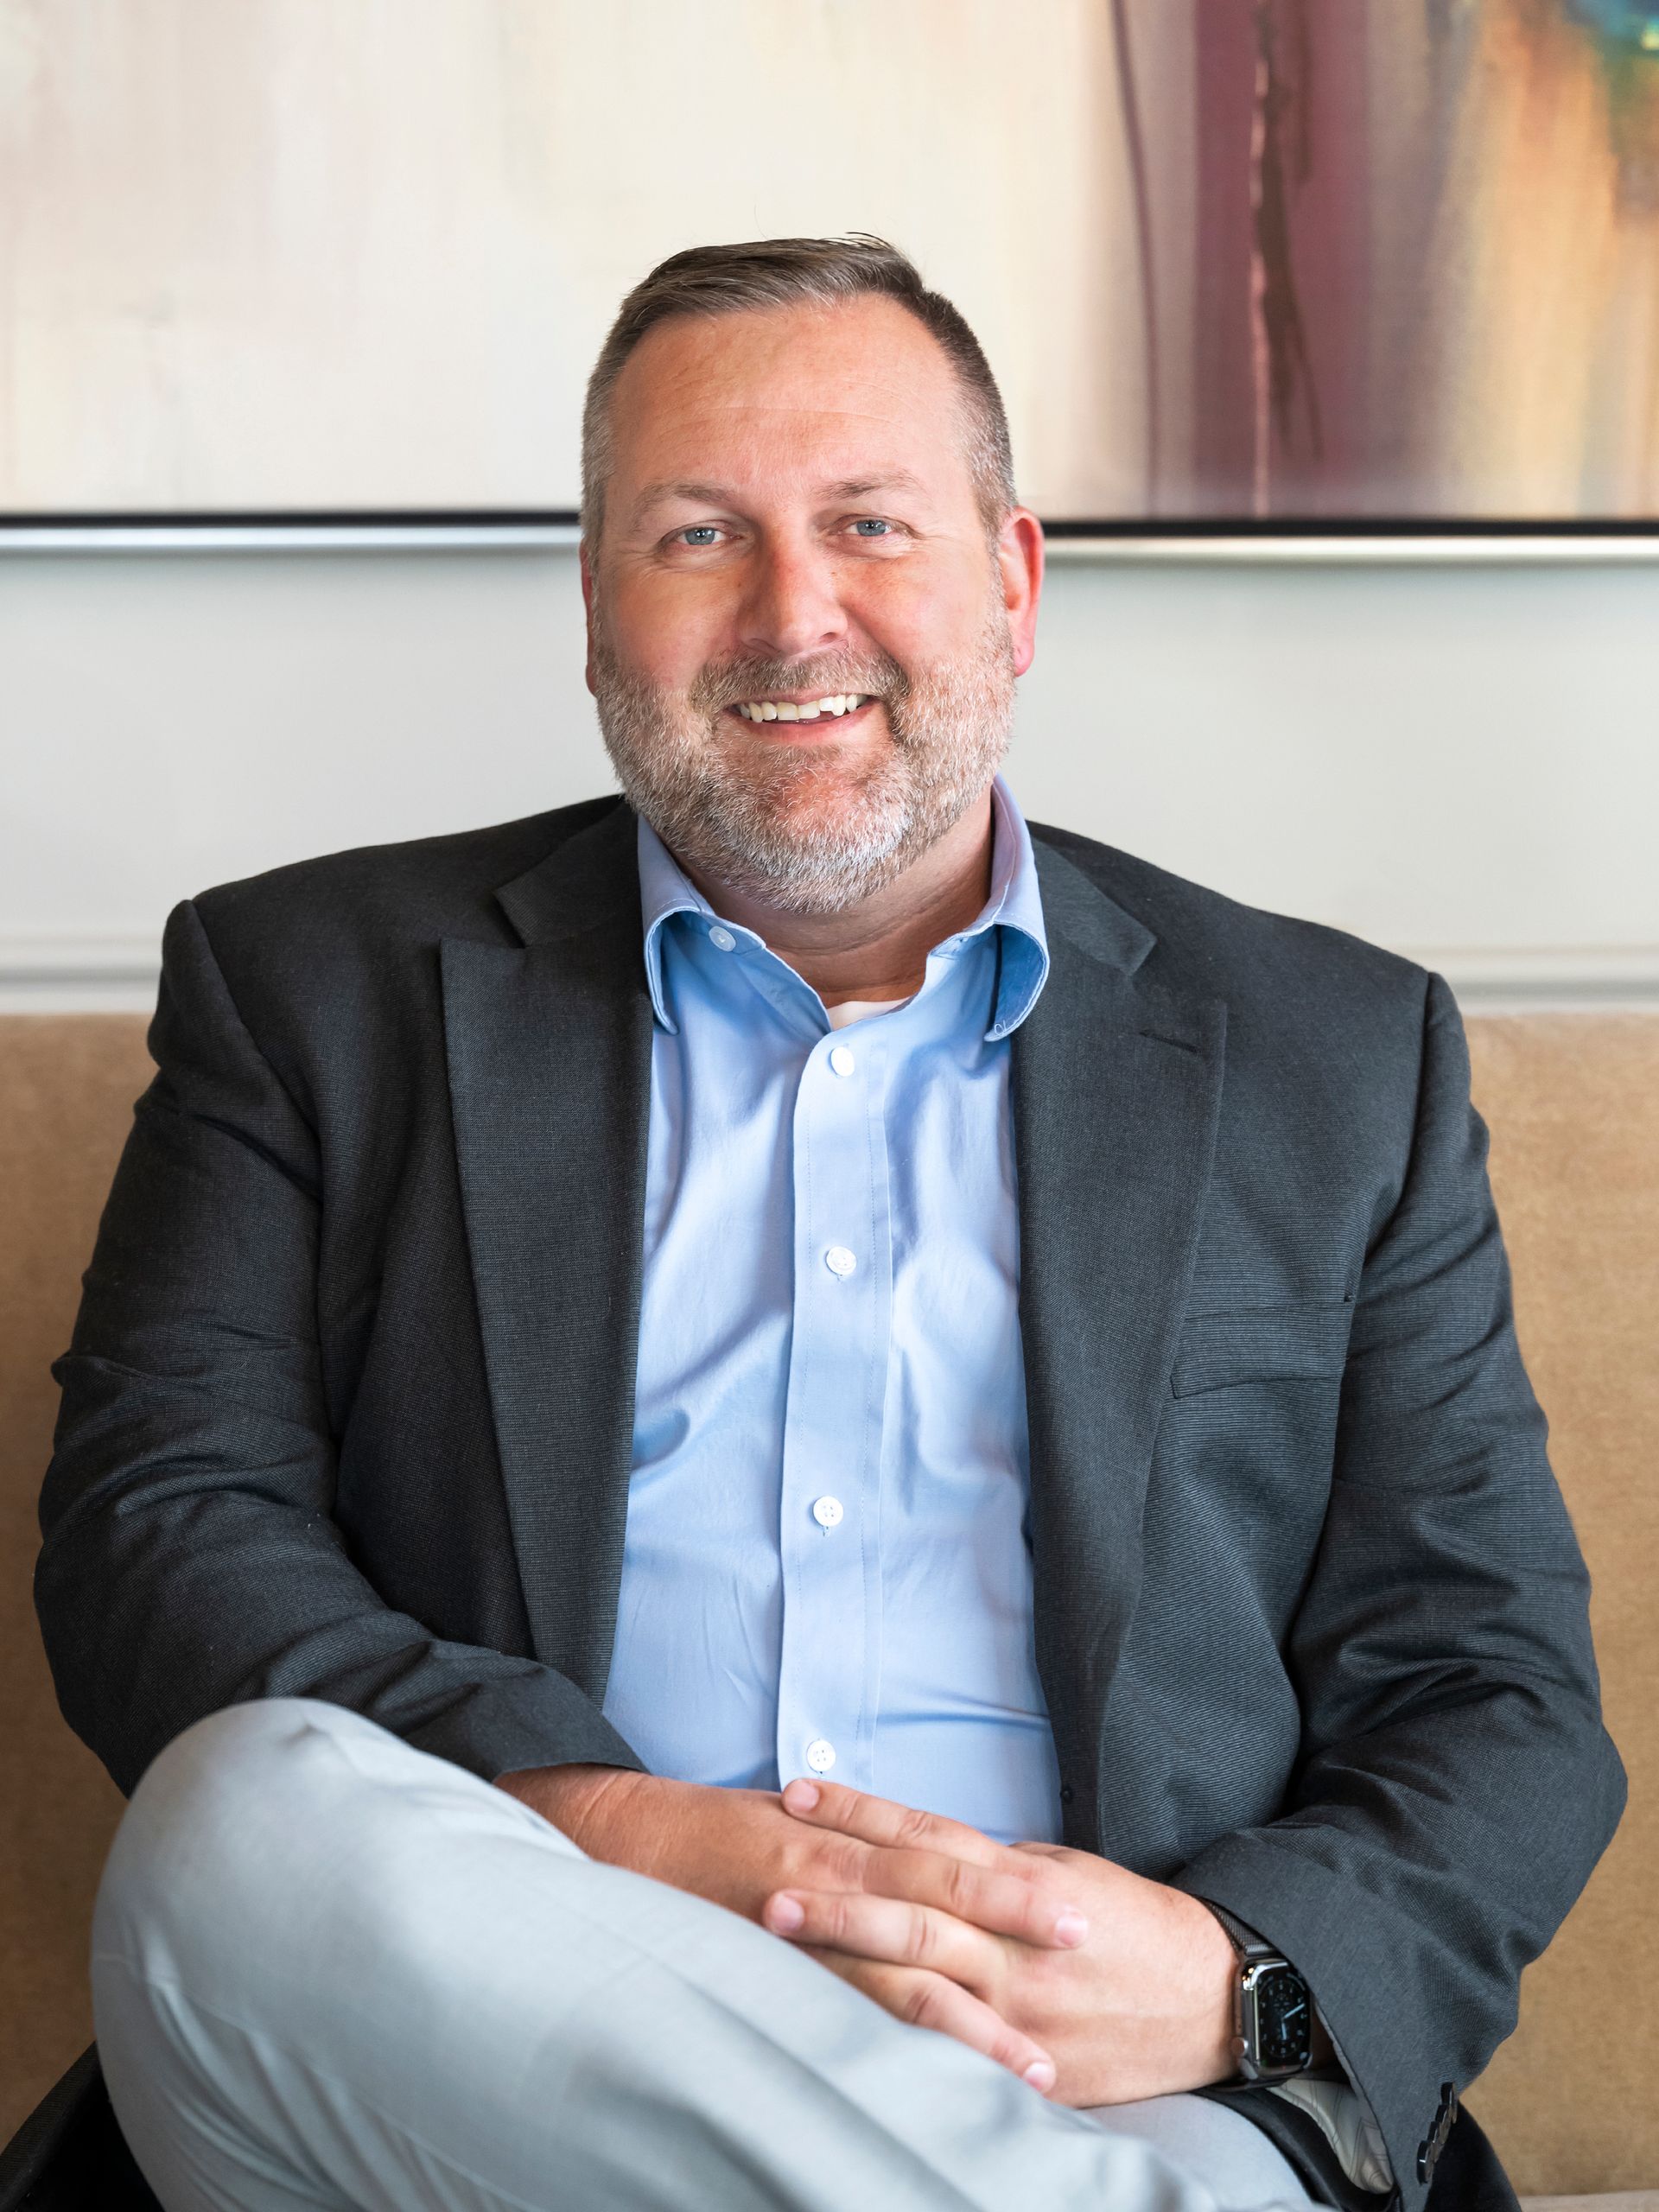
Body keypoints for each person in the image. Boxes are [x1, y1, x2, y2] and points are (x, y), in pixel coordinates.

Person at [25, 236, 1623, 2212]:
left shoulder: (1333, 1054)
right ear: (597, 609)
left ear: (1013, 582)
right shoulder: (311, 990)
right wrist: (606, 1828)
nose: (796, 618)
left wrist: (1239, 1979)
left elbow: (1492, 1689)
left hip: (1109, 2071)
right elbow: (155, 1530)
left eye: (869, 522)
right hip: (498, 2037)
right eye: (699, 537)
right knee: (240, 1824)